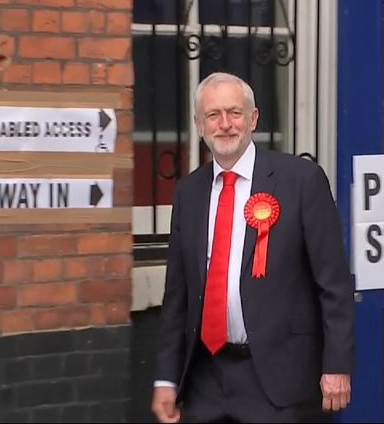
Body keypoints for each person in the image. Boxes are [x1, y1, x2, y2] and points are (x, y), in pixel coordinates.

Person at [151, 72, 355, 423]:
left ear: (253, 119)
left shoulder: (301, 181)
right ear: (200, 125)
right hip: (206, 378)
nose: (225, 124)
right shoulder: (189, 192)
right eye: (214, 115)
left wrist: (336, 364)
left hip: (281, 380)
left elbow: (333, 283)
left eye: (235, 113)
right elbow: (177, 295)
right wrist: (167, 377)